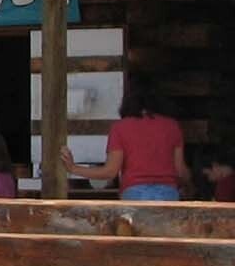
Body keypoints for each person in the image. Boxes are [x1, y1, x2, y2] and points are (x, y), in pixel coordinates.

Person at [61, 83, 190, 200]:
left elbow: (110, 171)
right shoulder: (172, 126)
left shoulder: (120, 128)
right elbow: (180, 171)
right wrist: (193, 187)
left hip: (134, 194)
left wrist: (73, 168)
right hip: (167, 194)